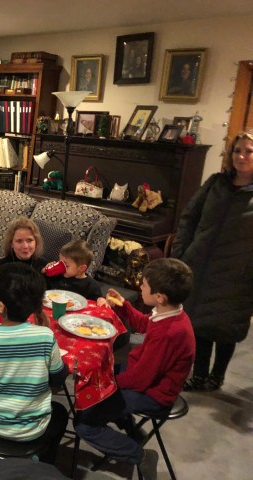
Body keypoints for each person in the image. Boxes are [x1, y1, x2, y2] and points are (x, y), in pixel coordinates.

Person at [76, 258, 195, 480]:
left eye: (145, 285)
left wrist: (106, 385)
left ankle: (140, 455)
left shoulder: (169, 333)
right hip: (143, 376)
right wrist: (123, 305)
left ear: (160, 297)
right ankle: (132, 430)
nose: (140, 286)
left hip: (154, 395)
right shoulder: (171, 313)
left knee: (84, 423)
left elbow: (140, 380)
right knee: (97, 377)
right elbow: (142, 324)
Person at [0, 263, 68, 464]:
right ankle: (41, 465)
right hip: (32, 430)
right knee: (61, 413)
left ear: (1, 306)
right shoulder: (46, 336)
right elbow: (58, 378)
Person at [171, 130, 253, 392]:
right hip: (200, 266)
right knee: (199, 323)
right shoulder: (216, 183)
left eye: (248, 151)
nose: (241, 156)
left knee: (227, 328)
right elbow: (189, 217)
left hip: (237, 275)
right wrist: (182, 253)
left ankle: (217, 377)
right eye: (237, 150)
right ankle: (199, 375)